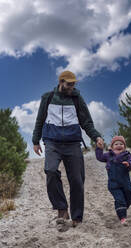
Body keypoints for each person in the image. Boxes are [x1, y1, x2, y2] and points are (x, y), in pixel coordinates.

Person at [32, 70, 104, 229]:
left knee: (77, 181)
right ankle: (62, 209)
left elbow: (87, 122)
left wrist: (96, 137)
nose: (72, 87)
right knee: (50, 171)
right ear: (61, 82)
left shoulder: (77, 99)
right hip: (52, 142)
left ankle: (77, 217)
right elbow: (40, 120)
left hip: (73, 144)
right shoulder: (48, 98)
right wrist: (35, 141)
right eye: (69, 84)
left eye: (74, 84)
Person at [95, 135, 131, 225]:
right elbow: (99, 157)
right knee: (120, 200)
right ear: (112, 147)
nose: (118, 145)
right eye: (116, 144)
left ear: (124, 147)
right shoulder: (108, 156)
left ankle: (122, 208)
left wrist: (129, 164)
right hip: (113, 184)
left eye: (121, 144)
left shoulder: (127, 156)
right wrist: (99, 148)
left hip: (126, 183)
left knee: (130, 197)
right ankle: (122, 218)